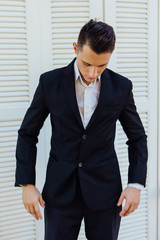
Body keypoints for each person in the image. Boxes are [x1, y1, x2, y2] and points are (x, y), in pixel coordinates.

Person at [14, 19, 148, 240]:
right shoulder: (50, 82)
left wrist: (135, 184)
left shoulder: (122, 87)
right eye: (87, 63)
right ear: (76, 48)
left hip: (106, 194)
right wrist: (26, 183)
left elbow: (137, 138)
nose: (93, 72)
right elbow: (27, 133)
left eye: (101, 65)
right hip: (60, 193)